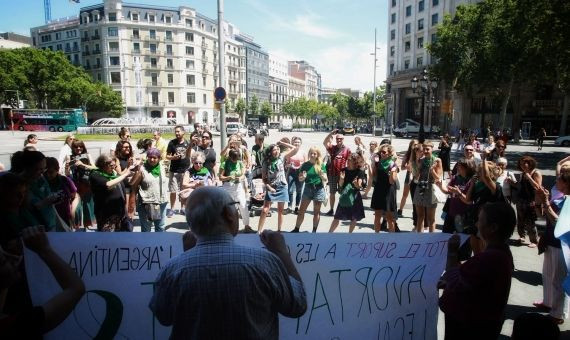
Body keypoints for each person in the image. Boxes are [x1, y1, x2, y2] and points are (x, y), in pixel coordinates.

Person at [149, 187, 307, 339]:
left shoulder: (172, 270)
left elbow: (164, 317)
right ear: (228, 214)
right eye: (235, 206)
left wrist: (188, 255)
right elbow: (297, 305)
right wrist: (282, 253)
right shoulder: (265, 263)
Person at [439, 202, 516, 340]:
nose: (476, 224)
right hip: (480, 324)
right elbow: (474, 281)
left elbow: (453, 280)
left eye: (480, 220)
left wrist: (452, 252)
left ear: (493, 228)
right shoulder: (500, 254)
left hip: (468, 327)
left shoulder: (489, 258)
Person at [0, 226, 85, 338]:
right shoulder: (12, 326)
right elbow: (76, 288)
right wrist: (44, 249)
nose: (14, 259)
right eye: (4, 261)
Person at [533, 167, 570, 324]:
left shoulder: (568, 201)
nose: (556, 180)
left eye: (559, 179)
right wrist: (539, 201)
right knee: (547, 274)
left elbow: (559, 222)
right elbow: (543, 216)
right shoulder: (560, 198)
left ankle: (558, 314)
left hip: (562, 245)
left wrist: (546, 203)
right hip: (551, 241)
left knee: (560, 279)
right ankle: (548, 302)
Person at [450, 160, 504, 254]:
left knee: (484, 252)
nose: (478, 173)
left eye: (480, 171)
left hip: (486, 224)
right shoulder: (478, 185)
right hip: (475, 222)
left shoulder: (495, 187)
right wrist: (471, 185)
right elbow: (467, 200)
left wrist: (484, 160)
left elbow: (487, 178)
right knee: (476, 251)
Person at [257, 142, 299, 233]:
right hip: (271, 186)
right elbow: (264, 179)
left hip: (282, 186)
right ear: (270, 152)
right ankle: (259, 231)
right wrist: (269, 188)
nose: (277, 151)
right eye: (274, 149)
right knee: (265, 209)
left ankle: (279, 230)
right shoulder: (265, 163)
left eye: (278, 149)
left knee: (280, 210)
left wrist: (283, 143)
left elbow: (295, 149)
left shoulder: (282, 158)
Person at [90, 154, 136, 232]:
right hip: (106, 215)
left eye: (115, 166)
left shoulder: (113, 174)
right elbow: (108, 185)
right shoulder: (95, 175)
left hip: (120, 214)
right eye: (111, 165)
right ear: (103, 165)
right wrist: (125, 175)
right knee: (107, 241)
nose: (114, 168)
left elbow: (122, 188)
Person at [17, 150, 60, 231]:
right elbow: (25, 208)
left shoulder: (40, 178)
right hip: (33, 228)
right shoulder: (19, 184)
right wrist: (45, 202)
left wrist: (54, 198)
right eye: (38, 169)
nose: (42, 173)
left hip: (50, 224)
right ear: (27, 168)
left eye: (44, 169)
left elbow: (47, 193)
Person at [130, 148, 169, 232]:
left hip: (161, 202)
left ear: (159, 158)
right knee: (146, 229)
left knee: (160, 228)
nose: (152, 159)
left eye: (154, 158)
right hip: (146, 204)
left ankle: (158, 245)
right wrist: (132, 205)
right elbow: (133, 186)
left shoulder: (162, 167)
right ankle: (147, 245)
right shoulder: (142, 169)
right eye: (150, 157)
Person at [291, 147, 328, 233]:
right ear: (309, 154)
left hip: (318, 189)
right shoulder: (305, 165)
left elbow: (326, 179)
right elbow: (300, 179)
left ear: (317, 155)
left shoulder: (320, 165)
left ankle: (314, 231)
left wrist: (322, 176)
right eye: (311, 153)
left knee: (316, 212)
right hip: (308, 188)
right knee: (301, 211)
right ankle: (296, 229)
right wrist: (303, 178)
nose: (312, 155)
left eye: (314, 153)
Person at [437, 158, 477, 234]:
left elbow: (468, 201)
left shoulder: (472, 181)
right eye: (457, 165)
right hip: (451, 213)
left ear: (467, 168)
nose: (457, 167)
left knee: (461, 239)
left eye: (459, 166)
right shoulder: (456, 178)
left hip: (463, 216)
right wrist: (440, 186)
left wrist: (458, 193)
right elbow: (448, 192)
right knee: (445, 235)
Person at [329, 153, 366, 233]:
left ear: (354, 162)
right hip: (345, 195)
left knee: (353, 217)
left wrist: (357, 184)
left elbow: (359, 186)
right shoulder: (343, 170)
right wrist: (341, 179)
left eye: (350, 160)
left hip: (354, 197)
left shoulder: (360, 171)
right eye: (348, 159)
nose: (347, 161)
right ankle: (329, 234)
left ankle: (349, 235)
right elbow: (340, 185)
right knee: (337, 217)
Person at [510, 156, 542, 247]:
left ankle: (534, 241)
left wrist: (530, 178)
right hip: (521, 200)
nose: (523, 165)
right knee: (520, 220)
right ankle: (522, 236)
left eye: (525, 163)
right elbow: (520, 186)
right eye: (521, 164)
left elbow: (538, 188)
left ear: (530, 163)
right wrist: (511, 182)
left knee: (530, 221)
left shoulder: (536, 173)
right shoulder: (523, 173)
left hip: (530, 201)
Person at [64, 139, 96, 229]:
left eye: (80, 146)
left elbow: (95, 168)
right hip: (75, 184)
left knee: (87, 205)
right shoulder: (69, 156)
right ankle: (77, 224)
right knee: (76, 206)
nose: (78, 148)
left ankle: (87, 225)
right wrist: (67, 167)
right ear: (72, 147)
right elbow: (67, 174)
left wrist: (83, 165)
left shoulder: (87, 155)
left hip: (86, 183)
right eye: (76, 147)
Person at [412, 141, 443, 233]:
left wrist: (432, 170)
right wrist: (418, 166)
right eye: (424, 149)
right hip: (420, 187)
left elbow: (438, 178)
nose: (425, 151)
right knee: (420, 216)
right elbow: (416, 177)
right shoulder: (421, 160)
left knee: (431, 218)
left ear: (432, 149)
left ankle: (431, 239)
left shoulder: (437, 160)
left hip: (431, 188)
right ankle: (419, 237)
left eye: (427, 149)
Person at [219, 148, 252, 232]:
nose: (235, 160)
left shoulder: (240, 163)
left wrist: (240, 177)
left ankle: (247, 226)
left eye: (237, 158)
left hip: (238, 186)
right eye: (233, 158)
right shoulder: (224, 163)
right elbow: (220, 177)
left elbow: (243, 174)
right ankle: (228, 227)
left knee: (243, 205)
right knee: (228, 207)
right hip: (228, 186)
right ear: (230, 157)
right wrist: (229, 177)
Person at [44, 157, 78, 229]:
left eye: (51, 172)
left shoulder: (65, 180)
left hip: (65, 218)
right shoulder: (41, 183)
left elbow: (75, 196)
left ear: (57, 170)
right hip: (48, 221)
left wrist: (73, 211)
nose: (47, 175)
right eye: (45, 172)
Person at [371, 144, 399, 232]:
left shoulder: (392, 164)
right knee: (377, 215)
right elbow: (374, 176)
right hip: (378, 189)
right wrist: (372, 166)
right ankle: (377, 237)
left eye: (384, 152)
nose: (381, 154)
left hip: (388, 191)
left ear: (389, 154)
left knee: (389, 217)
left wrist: (391, 173)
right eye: (380, 152)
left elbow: (392, 181)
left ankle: (391, 240)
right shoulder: (378, 162)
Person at [323, 129, 351, 215]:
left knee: (343, 192)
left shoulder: (347, 149)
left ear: (343, 139)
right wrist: (331, 133)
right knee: (332, 193)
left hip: (342, 174)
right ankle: (331, 210)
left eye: (341, 139)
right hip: (332, 174)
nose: (339, 140)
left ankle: (343, 210)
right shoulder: (332, 148)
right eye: (337, 139)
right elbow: (324, 143)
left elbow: (350, 161)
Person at [166, 125, 192, 217]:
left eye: (178, 131)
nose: (177, 133)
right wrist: (173, 157)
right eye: (175, 132)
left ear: (183, 132)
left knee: (183, 190)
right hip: (174, 170)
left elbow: (189, 156)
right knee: (173, 191)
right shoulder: (172, 143)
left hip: (185, 170)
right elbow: (167, 156)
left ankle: (183, 208)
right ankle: (172, 209)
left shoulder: (188, 143)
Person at [114, 140, 136, 220]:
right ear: (120, 148)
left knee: (132, 207)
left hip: (133, 185)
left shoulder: (130, 158)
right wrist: (128, 166)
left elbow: (135, 170)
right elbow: (119, 174)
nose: (128, 149)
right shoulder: (116, 160)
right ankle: (125, 224)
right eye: (126, 147)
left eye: (129, 147)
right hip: (124, 186)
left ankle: (130, 225)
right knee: (125, 208)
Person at [285, 137, 306, 214]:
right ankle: (289, 207)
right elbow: (286, 163)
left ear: (301, 143)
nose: (296, 143)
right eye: (295, 142)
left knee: (299, 191)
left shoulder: (303, 152)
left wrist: (302, 165)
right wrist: (289, 165)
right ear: (292, 143)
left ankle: (297, 207)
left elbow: (306, 164)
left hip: (300, 173)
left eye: (298, 142)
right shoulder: (290, 152)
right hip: (291, 172)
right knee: (290, 190)